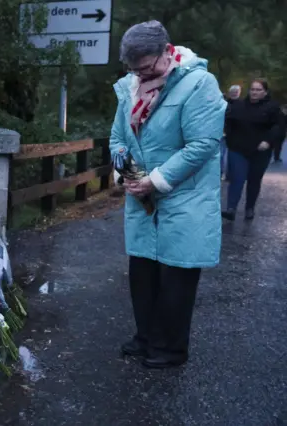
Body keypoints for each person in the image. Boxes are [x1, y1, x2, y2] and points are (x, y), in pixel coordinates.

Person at [110, 21, 226, 369]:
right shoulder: (130, 87)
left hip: (183, 198)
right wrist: (128, 175)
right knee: (143, 273)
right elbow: (117, 138)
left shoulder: (199, 84)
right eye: (134, 69)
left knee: (176, 278)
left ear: (166, 52)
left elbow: (203, 144)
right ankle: (145, 337)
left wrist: (156, 181)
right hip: (142, 196)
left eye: (146, 67)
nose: (140, 76)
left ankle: (171, 348)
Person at [222, 79, 285, 221]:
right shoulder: (239, 106)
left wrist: (268, 141)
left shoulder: (273, 108)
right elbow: (229, 122)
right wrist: (229, 139)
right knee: (237, 178)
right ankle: (231, 208)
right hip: (238, 148)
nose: (254, 92)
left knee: (254, 180)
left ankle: (249, 208)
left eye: (258, 90)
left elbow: (279, 128)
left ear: (265, 92)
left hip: (260, 151)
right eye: (252, 89)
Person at [221, 85, 241, 180]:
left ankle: (230, 174)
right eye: (233, 91)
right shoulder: (224, 103)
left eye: (236, 92)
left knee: (232, 156)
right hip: (224, 132)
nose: (234, 93)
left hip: (235, 133)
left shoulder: (242, 104)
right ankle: (221, 173)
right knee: (221, 155)